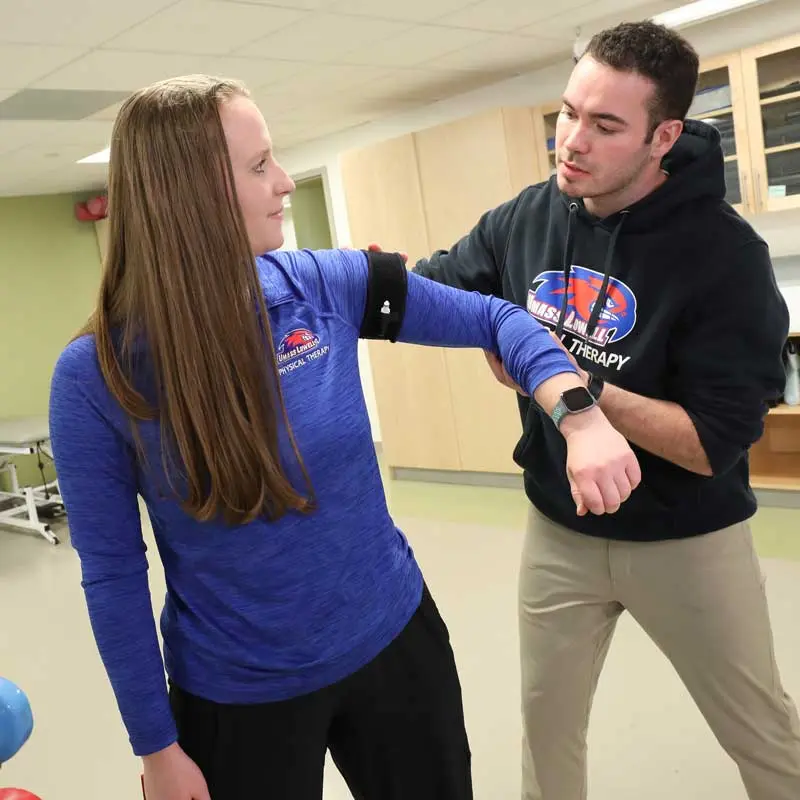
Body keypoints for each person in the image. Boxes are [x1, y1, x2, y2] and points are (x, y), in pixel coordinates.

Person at [47, 75, 640, 800]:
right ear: (190, 193)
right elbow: (112, 578)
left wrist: (578, 415)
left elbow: (497, 319)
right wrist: (156, 749)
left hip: (394, 643)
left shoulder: (323, 285)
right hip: (237, 696)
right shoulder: (95, 377)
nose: (286, 182)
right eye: (260, 165)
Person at [393, 19, 800, 800]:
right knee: (547, 730)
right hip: (560, 529)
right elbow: (433, 288)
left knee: (760, 731)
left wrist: (569, 379)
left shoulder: (727, 261)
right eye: (569, 113)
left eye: (605, 125)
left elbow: (709, 445)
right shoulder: (528, 215)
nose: (571, 141)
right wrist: (348, 285)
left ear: (663, 135)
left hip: (686, 538)